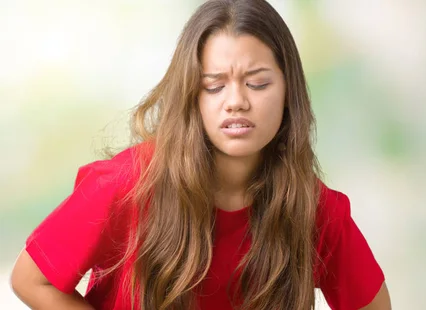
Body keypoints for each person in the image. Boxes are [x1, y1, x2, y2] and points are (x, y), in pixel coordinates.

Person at [10, 0, 391, 309]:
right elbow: (31, 280)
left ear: (289, 91)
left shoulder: (313, 207)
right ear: (191, 95)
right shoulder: (125, 185)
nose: (236, 102)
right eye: (214, 86)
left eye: (257, 83)